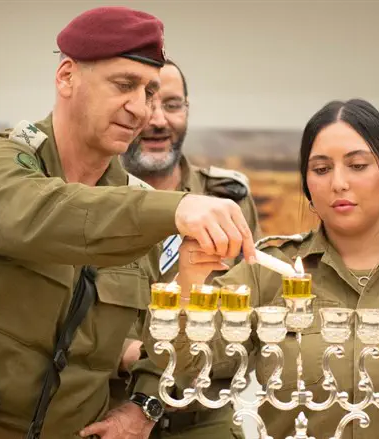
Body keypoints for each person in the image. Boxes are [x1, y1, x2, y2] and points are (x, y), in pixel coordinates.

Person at [0, 7, 257, 439]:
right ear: (66, 76)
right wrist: (175, 209)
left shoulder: (142, 209)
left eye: (150, 92)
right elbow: (46, 214)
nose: (140, 109)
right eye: (124, 85)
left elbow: (168, 345)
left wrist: (143, 405)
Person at [159, 98, 379, 438]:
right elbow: (190, 369)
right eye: (320, 169)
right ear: (307, 186)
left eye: (358, 165)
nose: (338, 183)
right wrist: (190, 279)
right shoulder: (270, 269)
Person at [108, 59, 262, 439]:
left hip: (202, 417)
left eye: (173, 105)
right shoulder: (93, 202)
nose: (159, 120)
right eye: (148, 103)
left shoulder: (228, 198)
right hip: (110, 415)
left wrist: (152, 358)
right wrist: (122, 354)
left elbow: (246, 313)